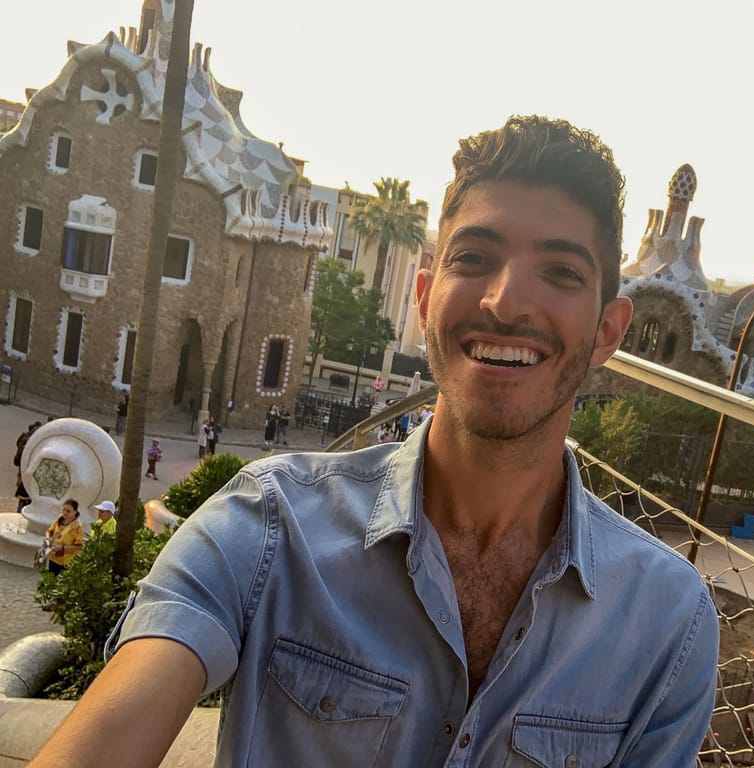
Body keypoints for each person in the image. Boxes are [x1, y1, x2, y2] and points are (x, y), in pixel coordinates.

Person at [30, 116, 717, 767]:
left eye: (562, 272)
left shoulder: (665, 625)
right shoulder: (270, 531)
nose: (507, 301)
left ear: (608, 330)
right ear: (424, 297)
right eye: (476, 257)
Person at [44, 499, 84, 577]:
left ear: (75, 512)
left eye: (68, 511)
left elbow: (79, 546)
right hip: (53, 557)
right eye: (64, 510)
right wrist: (47, 538)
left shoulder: (77, 527)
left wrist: (62, 548)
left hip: (66, 561)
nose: (65, 513)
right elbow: (49, 531)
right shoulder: (59, 518)